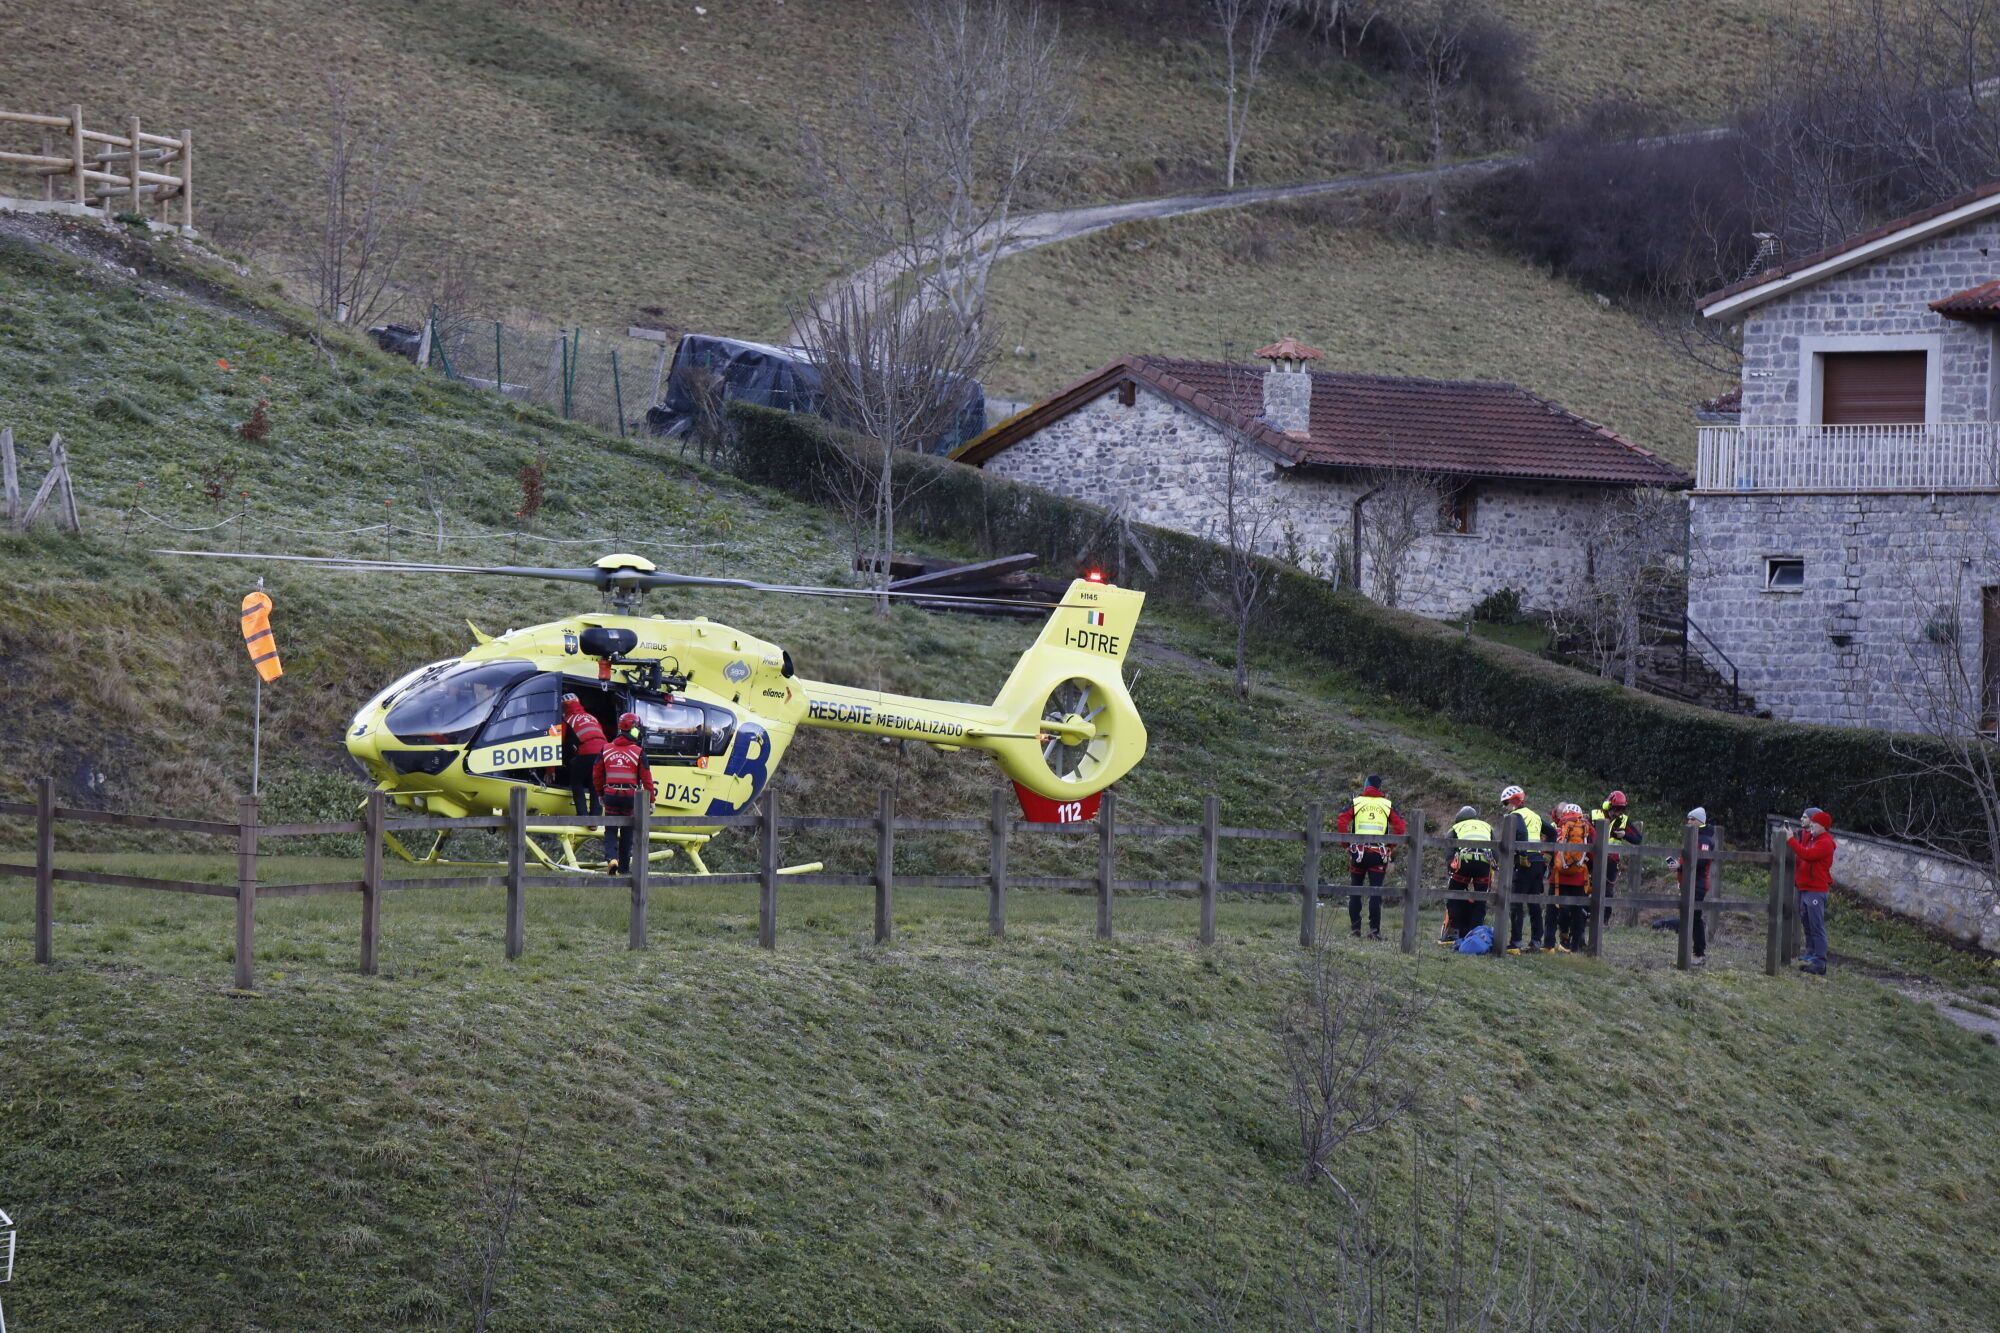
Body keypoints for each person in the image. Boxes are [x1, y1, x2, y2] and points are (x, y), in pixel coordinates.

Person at [1335, 774, 1406, 940]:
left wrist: (1347, 845)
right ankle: (1374, 931)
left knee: (1355, 890)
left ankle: (1355, 930)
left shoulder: (1356, 802)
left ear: (1366, 786)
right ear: (1380, 788)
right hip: (1377, 855)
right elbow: (1401, 828)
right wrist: (1389, 847)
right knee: (1375, 892)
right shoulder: (1387, 805)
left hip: (1358, 854)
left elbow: (1341, 821)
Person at [593, 711, 656, 873]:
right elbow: (647, 778)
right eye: (637, 728)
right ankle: (624, 868)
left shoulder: (605, 749)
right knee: (627, 831)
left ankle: (611, 859)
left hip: (611, 795)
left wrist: (600, 793)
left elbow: (597, 774)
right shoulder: (638, 752)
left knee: (611, 829)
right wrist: (651, 800)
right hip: (630, 797)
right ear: (633, 729)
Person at [1788, 807, 1837, 976]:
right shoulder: (1813, 838)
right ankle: (1811, 953)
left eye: (1815, 823)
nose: (1811, 826)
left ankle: (1820, 961)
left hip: (1816, 889)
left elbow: (1807, 855)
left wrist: (1790, 840)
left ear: (1823, 826)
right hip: (1806, 887)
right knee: (1807, 922)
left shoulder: (1824, 843)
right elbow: (1804, 839)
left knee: (1816, 925)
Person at [1499, 785, 1545, 955]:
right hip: (1539, 862)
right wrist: (1547, 855)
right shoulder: (1535, 815)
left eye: (1506, 803)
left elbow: (1523, 833)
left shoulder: (1515, 815)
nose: (1505, 807)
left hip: (1525, 863)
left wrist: (1523, 854)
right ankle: (1536, 942)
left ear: (1514, 801)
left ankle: (1516, 943)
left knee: (1516, 903)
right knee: (1534, 904)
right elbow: (1552, 833)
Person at [1442, 804, 1494, 946]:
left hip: (1464, 864)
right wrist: (1495, 865)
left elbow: (1449, 846)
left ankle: (1455, 932)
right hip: (1483, 864)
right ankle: (1476, 933)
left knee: (1454, 895)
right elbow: (1496, 848)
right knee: (1481, 900)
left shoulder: (1456, 827)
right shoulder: (1487, 826)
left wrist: (1450, 866)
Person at [1547, 802, 1593, 953]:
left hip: (1558, 876)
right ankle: (1575, 947)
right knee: (1578, 911)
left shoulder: (1558, 828)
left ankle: (1548, 944)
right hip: (1579, 877)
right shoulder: (1587, 828)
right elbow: (1595, 852)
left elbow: (1547, 849)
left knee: (1553, 909)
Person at [1590, 790, 1641, 922]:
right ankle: (1588, 917)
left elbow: (1638, 839)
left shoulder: (1624, 820)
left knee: (1608, 892)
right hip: (1593, 858)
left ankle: (1604, 921)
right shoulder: (1595, 814)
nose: (1619, 813)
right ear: (1609, 806)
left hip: (1612, 860)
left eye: (1622, 810)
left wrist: (1625, 835)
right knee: (1590, 887)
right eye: (1617, 809)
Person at [560, 693, 609, 817]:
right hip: (604, 753)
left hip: (586, 752)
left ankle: (582, 816)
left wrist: (550, 770)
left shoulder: (567, 720)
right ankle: (595, 818)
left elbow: (557, 743)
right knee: (595, 784)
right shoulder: (591, 717)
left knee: (576, 782)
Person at [1682, 806, 1717, 966]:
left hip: (1698, 883)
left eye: (1692, 819)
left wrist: (1680, 866)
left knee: (1695, 917)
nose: (1689, 822)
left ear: (1700, 821)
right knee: (1691, 916)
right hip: (1690, 881)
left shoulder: (1704, 839)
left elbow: (1701, 861)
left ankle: (1699, 953)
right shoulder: (1695, 836)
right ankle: (1696, 951)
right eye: (1688, 819)